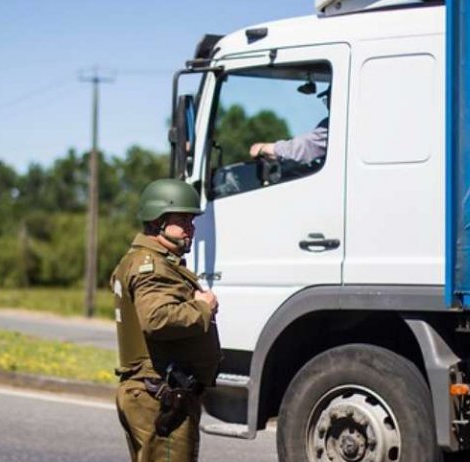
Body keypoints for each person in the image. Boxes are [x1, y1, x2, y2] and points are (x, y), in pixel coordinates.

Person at [111, 178, 222, 462]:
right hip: (160, 396)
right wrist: (203, 308)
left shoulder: (140, 260)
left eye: (191, 221)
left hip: (154, 393)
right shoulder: (153, 267)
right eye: (182, 221)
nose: (191, 229)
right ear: (157, 221)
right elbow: (157, 318)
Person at [248, 87, 330, 163]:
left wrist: (264, 148)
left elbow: (304, 147)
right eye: (326, 101)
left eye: (329, 100)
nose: (328, 105)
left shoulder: (332, 126)